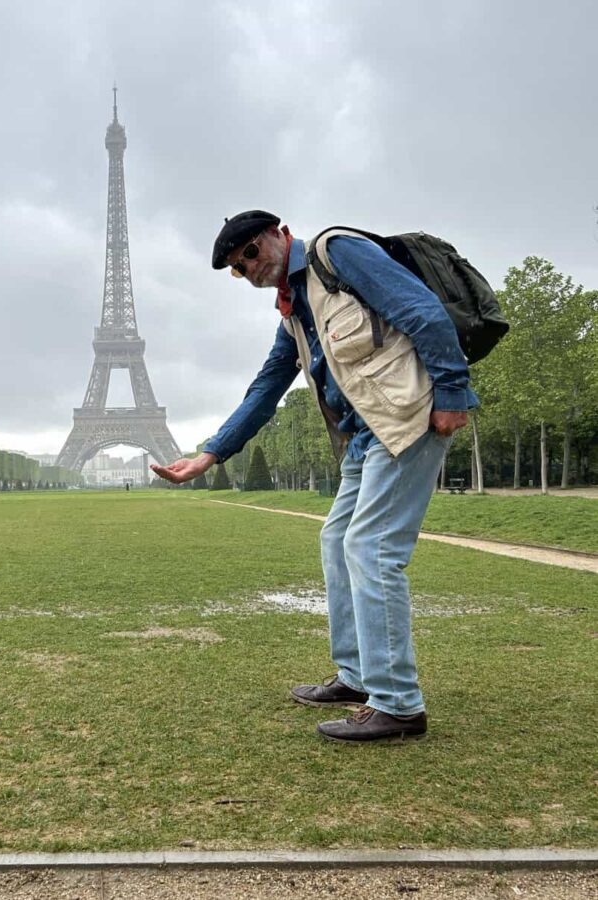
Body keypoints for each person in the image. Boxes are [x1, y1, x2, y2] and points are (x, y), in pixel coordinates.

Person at [151, 210, 477, 744]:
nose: (249, 269)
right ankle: (358, 676)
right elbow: (266, 388)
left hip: (403, 417)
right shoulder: (293, 314)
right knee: (337, 542)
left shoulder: (336, 253)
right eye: (238, 269)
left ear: (280, 234)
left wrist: (452, 390)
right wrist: (210, 455)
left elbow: (420, 310)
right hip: (363, 437)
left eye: (250, 254)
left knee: (372, 548)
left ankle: (398, 703)